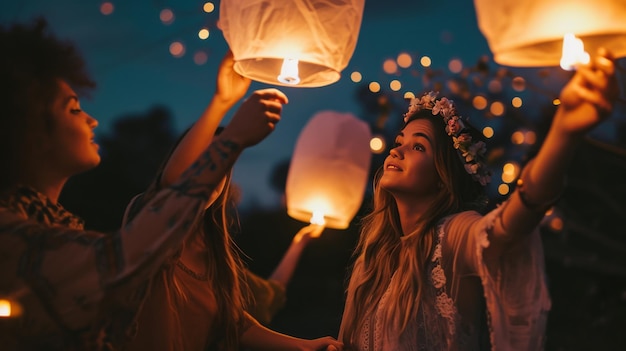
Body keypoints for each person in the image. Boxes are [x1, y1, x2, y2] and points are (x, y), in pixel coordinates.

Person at [0, 18, 291, 350]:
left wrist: (223, 103)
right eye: (74, 109)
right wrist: (232, 137)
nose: (92, 119)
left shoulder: (56, 227)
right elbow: (125, 256)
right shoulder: (11, 237)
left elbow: (234, 319)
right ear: (30, 133)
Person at [338, 49, 618, 350]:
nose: (396, 151)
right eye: (399, 142)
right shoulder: (371, 261)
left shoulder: (454, 235)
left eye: (418, 147)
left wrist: (562, 133)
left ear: (443, 175)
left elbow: (512, 223)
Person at [119, 50, 341, 350]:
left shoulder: (215, 254)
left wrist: (304, 345)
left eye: (220, 166)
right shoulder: (150, 221)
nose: (212, 173)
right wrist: (221, 102)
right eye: (203, 161)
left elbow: (237, 321)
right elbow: (176, 185)